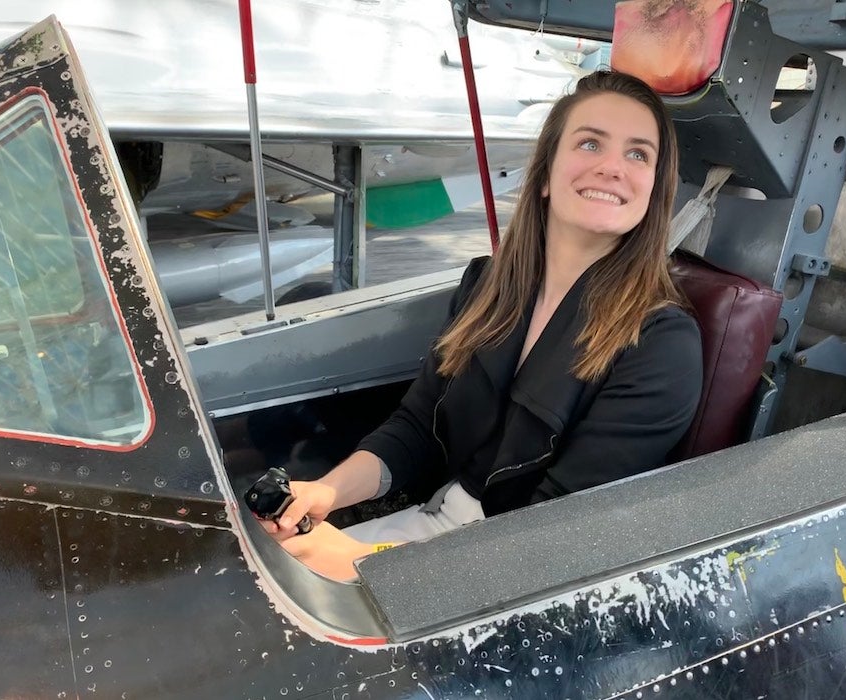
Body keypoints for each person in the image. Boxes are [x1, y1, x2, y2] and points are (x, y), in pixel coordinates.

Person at [259, 70, 704, 581]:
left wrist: (366, 569)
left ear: (654, 191)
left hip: (503, 578)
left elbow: (555, 537)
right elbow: (419, 425)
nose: (611, 167)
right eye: (589, 143)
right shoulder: (487, 285)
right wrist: (328, 492)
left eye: (638, 154)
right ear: (544, 175)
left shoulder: (661, 344)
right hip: (435, 525)